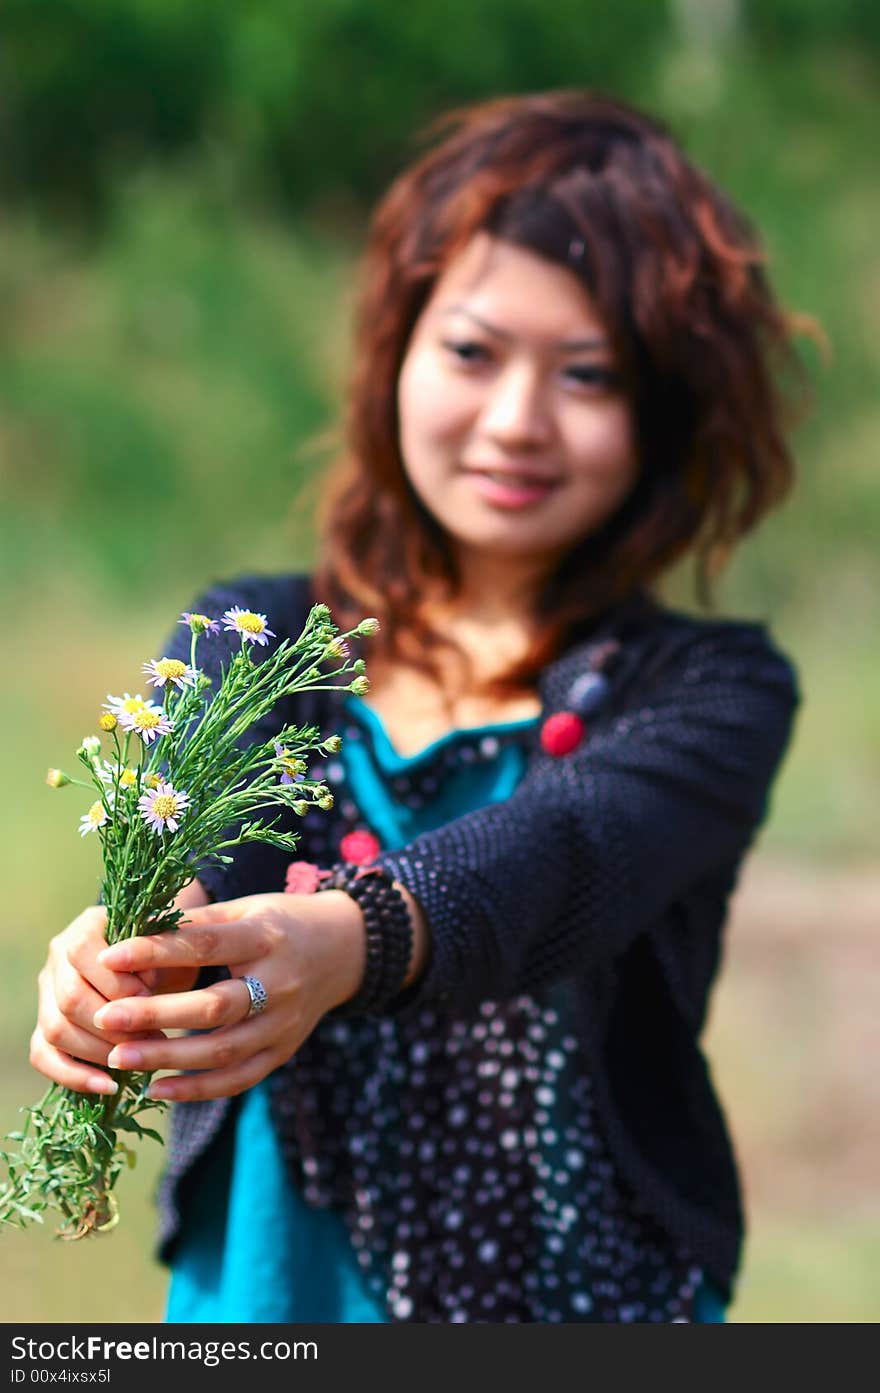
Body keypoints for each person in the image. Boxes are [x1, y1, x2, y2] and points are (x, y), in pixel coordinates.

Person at [30, 90, 808, 1323]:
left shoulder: (709, 691)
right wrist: (118, 958)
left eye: (589, 374)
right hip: (267, 1306)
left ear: (666, 411)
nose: (515, 421)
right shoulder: (262, 638)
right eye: (472, 351)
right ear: (397, 345)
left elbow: (567, 852)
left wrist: (350, 940)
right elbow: (181, 852)